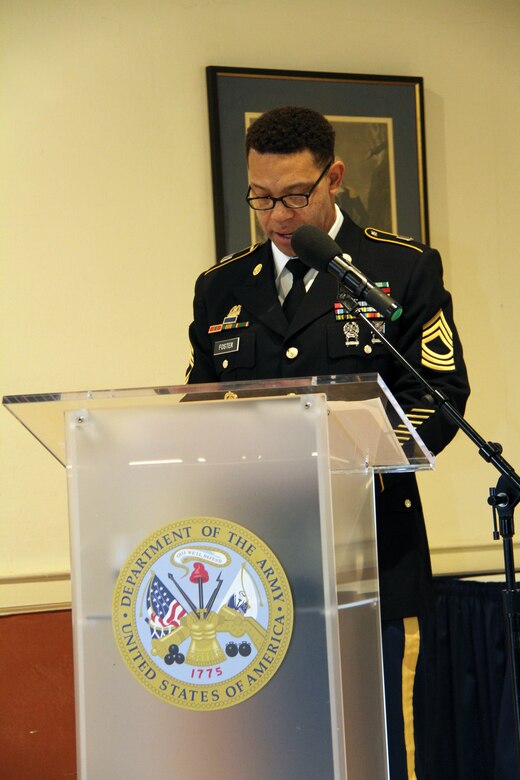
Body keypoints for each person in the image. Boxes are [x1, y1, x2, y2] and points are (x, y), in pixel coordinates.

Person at [186, 106, 470, 778]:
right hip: (253, 558)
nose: (277, 216)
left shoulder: (400, 269)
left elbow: (440, 395)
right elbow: (197, 407)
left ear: (334, 177)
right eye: (260, 197)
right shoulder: (221, 286)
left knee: (373, 741)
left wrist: (353, 464)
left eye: (294, 195)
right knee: (272, 742)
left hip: (366, 550)